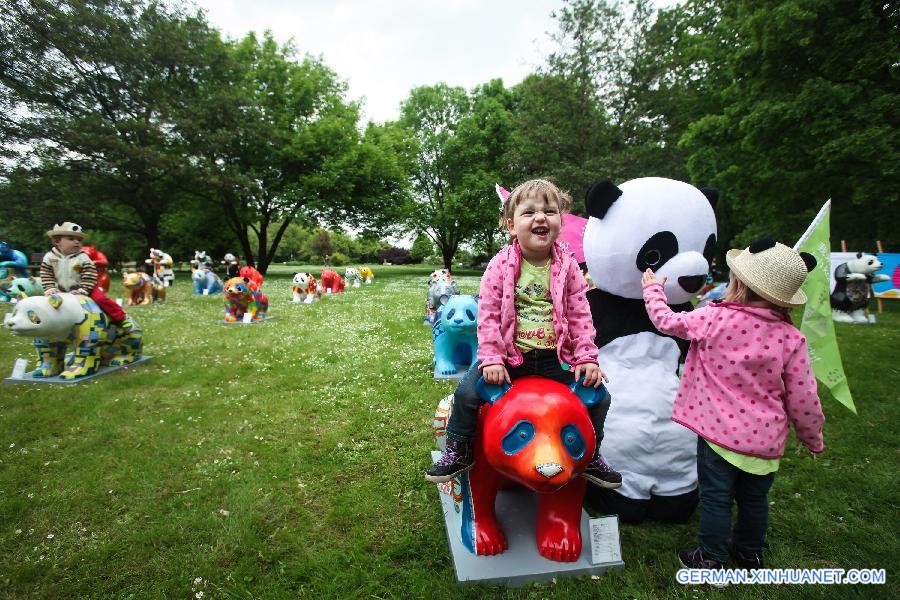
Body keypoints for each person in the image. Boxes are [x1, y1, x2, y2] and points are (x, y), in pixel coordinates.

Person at [640, 237, 824, 574]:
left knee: (716, 497)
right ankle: (750, 553)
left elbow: (667, 321)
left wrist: (653, 289)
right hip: (764, 440)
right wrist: (812, 437)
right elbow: (804, 395)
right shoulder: (790, 338)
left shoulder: (714, 318)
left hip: (717, 435)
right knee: (754, 500)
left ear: (738, 281)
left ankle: (711, 558)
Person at [425, 179, 622, 489]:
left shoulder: (567, 267)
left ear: (560, 220)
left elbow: (580, 313)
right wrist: (491, 358)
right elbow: (488, 315)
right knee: (465, 394)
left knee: (600, 396)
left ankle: (592, 455)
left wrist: (586, 357)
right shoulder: (499, 266)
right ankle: (459, 449)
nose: (540, 217)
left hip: (555, 358)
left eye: (549, 211)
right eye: (529, 212)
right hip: (509, 357)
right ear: (511, 225)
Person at [40, 222, 131, 329]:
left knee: (100, 299)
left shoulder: (82, 257)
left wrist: (84, 289)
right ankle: (49, 326)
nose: (76, 242)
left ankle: (120, 317)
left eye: (79, 240)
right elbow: (46, 273)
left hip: (86, 287)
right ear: (57, 241)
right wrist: (50, 287)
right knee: (48, 304)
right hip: (61, 289)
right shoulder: (50, 257)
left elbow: (90, 274)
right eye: (71, 239)